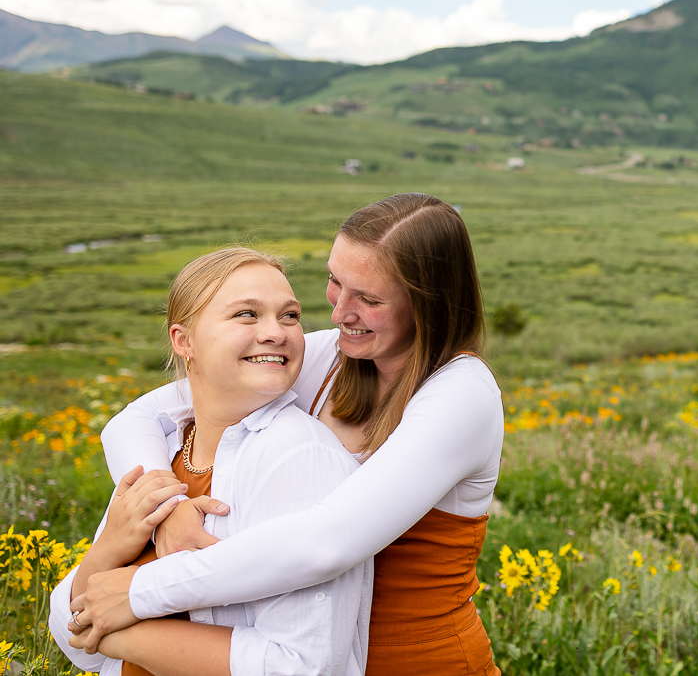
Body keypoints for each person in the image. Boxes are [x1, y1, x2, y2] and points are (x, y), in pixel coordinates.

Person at [68, 193, 504, 676]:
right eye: (336, 282)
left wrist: (141, 594)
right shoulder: (332, 357)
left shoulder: (462, 394)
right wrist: (163, 508)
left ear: (430, 305)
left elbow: (326, 543)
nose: (340, 313)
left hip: (421, 662)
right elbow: (137, 418)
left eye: (371, 299)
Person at [50, 247, 373, 676]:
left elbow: (303, 666)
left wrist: (123, 634)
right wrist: (112, 543)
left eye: (290, 316)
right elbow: (72, 633)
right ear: (183, 341)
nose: (276, 332)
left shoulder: (298, 457)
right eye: (247, 314)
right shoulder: (164, 452)